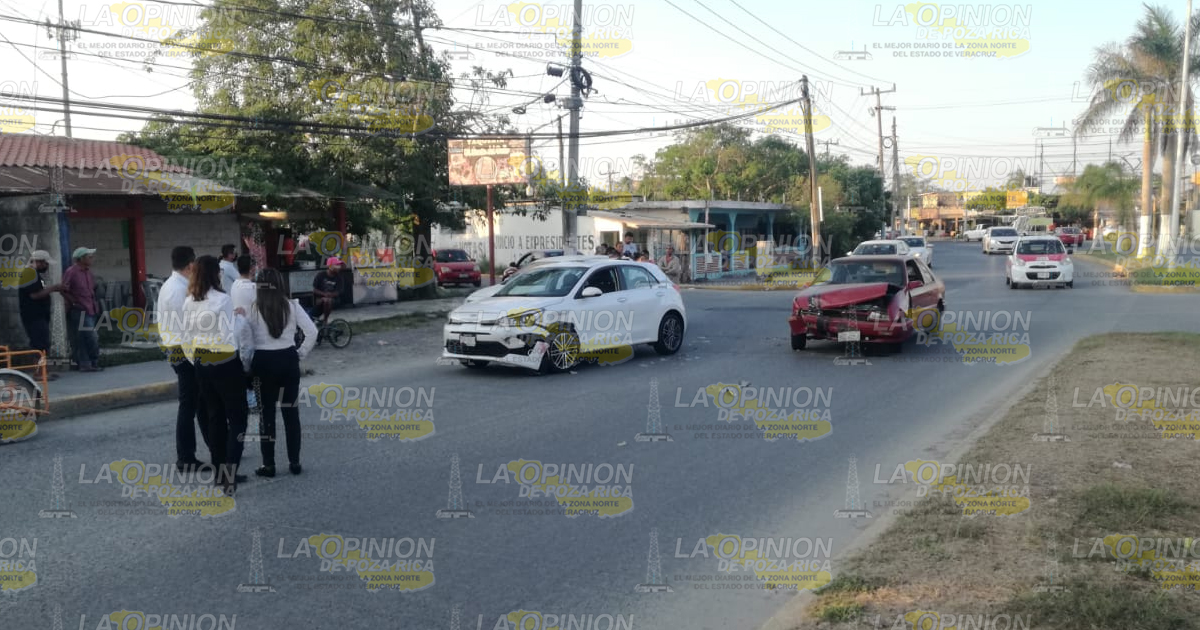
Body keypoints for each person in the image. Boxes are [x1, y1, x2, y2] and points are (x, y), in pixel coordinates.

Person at [181, 255, 248, 494]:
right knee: (238, 418)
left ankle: (220, 473)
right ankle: (230, 472)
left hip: (201, 360)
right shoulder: (222, 299)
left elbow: (186, 336)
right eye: (218, 270)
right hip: (224, 361)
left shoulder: (189, 301)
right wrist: (240, 317)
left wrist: (196, 360)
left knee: (215, 417)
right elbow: (229, 336)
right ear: (213, 274)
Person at [241, 268, 317, 477]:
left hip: (263, 364)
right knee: (291, 414)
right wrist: (299, 353)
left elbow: (246, 345)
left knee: (266, 416)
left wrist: (247, 367)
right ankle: (295, 462)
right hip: (288, 361)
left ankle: (269, 464)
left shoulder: (252, 310)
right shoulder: (292, 306)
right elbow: (312, 331)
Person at [156, 246, 210, 471]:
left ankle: (214, 447)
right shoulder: (178, 290)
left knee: (198, 403)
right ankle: (186, 456)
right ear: (190, 265)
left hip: (176, 347)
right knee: (190, 404)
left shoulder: (171, 285)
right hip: (183, 350)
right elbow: (188, 327)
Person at [18, 250, 62, 379]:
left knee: (43, 344)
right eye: (46, 263)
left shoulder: (34, 274)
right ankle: (38, 373)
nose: (47, 267)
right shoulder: (29, 274)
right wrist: (53, 288)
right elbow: (34, 295)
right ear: (40, 262)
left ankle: (43, 371)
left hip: (39, 316)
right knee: (39, 344)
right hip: (33, 316)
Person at [60, 247, 102, 372]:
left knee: (85, 337)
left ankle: (88, 363)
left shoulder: (88, 272)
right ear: (81, 258)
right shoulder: (71, 272)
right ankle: (89, 361)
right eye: (89, 257)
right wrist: (73, 301)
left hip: (90, 308)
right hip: (79, 309)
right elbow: (63, 289)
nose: (92, 259)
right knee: (90, 336)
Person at [311, 257, 344, 325]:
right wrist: (324, 294)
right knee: (325, 301)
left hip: (334, 300)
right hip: (319, 299)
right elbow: (314, 290)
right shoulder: (320, 275)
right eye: (337, 265)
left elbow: (339, 291)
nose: (339, 267)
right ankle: (319, 320)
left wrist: (330, 295)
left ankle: (325, 320)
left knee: (327, 300)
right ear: (330, 266)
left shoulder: (339, 277)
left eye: (339, 265)